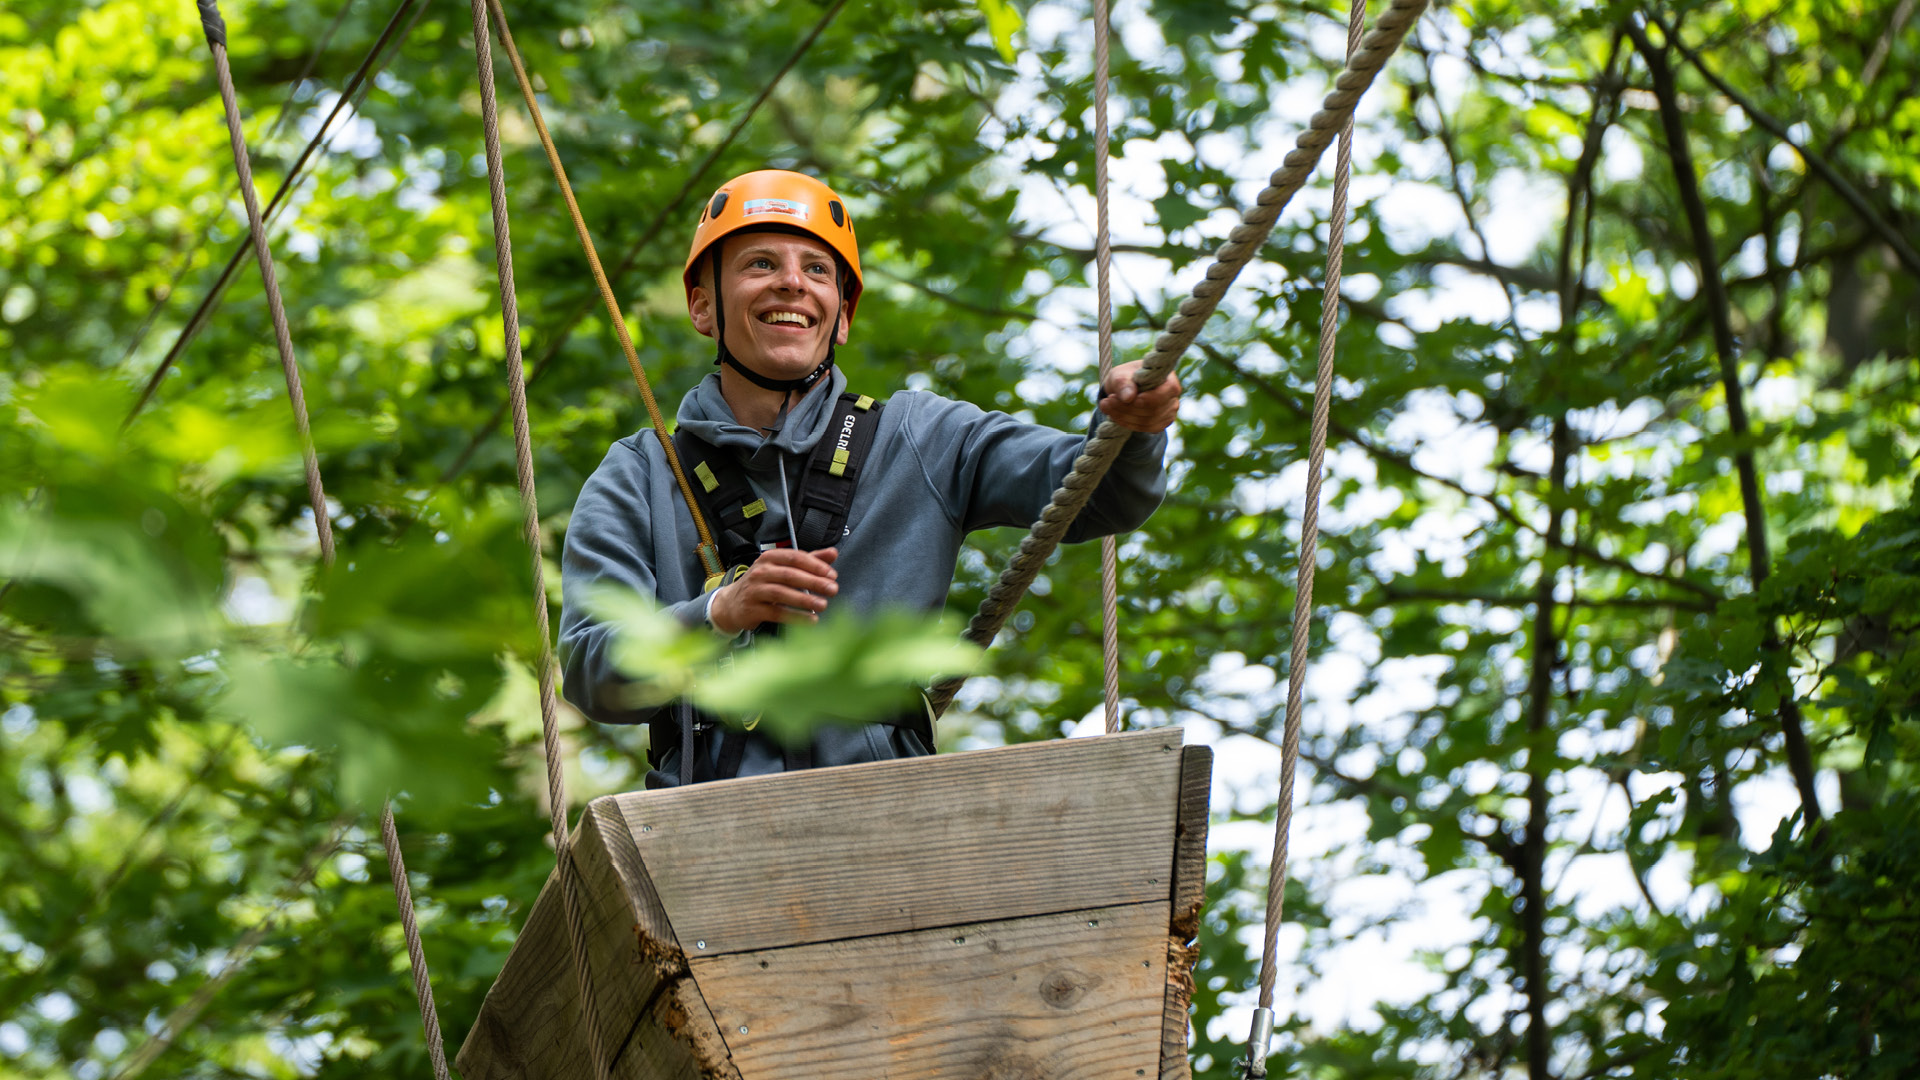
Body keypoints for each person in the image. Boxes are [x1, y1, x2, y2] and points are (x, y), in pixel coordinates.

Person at [558, 170, 1181, 787]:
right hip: (705, 829)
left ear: (843, 315)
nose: (793, 284)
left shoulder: (921, 438)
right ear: (703, 305)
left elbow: (1096, 493)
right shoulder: (639, 475)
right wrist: (720, 612)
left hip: (886, 815)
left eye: (819, 270)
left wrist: (1134, 430)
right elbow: (593, 673)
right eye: (759, 264)